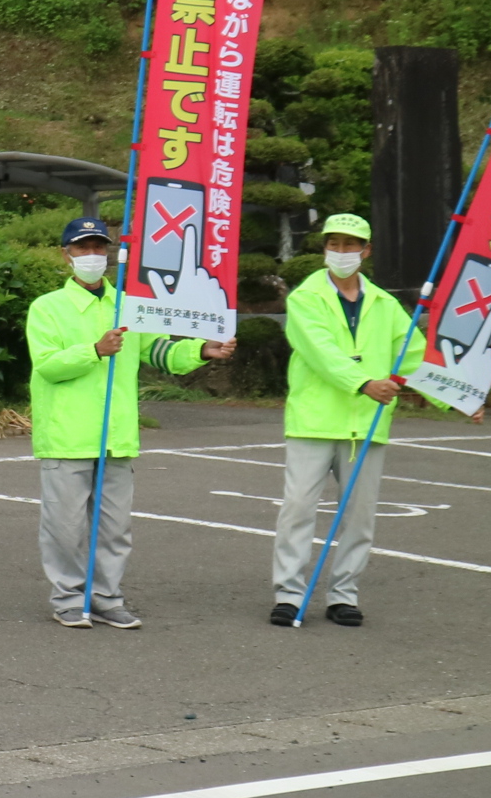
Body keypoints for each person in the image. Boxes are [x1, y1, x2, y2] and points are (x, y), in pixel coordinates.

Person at [26, 216, 234, 628]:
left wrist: (200, 350)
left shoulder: (128, 304)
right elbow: (47, 365)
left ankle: (106, 597)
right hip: (67, 435)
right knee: (64, 529)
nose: (91, 255)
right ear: (65, 253)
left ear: (108, 254)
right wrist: (95, 350)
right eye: (82, 248)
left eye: (98, 248)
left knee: (115, 528)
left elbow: (156, 351)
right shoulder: (47, 306)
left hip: (115, 436)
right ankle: (68, 598)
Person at [269, 213, 411, 628]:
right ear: (324, 248)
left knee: (361, 515)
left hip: (366, 423)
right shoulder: (304, 298)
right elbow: (321, 352)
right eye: (335, 243)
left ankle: (343, 595)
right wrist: (365, 382)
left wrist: (453, 397)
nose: (342, 252)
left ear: (366, 251)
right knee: (296, 509)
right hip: (313, 420)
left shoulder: (386, 304)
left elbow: (414, 351)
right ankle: (289, 595)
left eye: (351, 245)